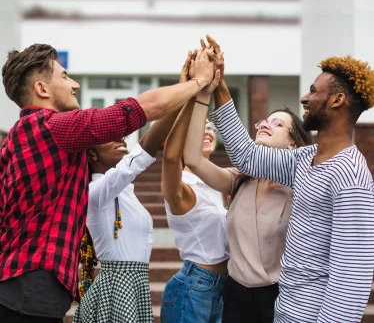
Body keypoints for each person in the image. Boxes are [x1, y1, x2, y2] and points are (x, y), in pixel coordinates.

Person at [0, 44, 215, 323]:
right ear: (42, 89)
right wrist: (198, 82)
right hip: (29, 298)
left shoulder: (4, 152)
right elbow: (132, 112)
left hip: (2, 288)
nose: (75, 84)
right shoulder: (53, 127)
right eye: (65, 76)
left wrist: (184, 90)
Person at [210, 53, 374, 323]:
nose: (304, 99)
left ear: (337, 100)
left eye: (313, 91)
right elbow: (246, 157)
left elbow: (351, 278)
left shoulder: (350, 176)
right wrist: (219, 85)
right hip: (283, 311)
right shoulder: (305, 158)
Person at [183, 36, 312, 323]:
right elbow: (192, 158)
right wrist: (203, 93)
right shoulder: (240, 180)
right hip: (235, 298)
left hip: (278, 299)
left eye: (278, 123)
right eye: (263, 121)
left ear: (294, 144)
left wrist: (220, 84)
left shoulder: (302, 187)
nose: (266, 123)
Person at [72, 53, 193, 323]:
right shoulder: (95, 192)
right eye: (108, 136)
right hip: (115, 290)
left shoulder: (123, 190)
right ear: (91, 155)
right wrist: (183, 92)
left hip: (134, 284)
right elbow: (141, 155)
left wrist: (183, 95)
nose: (121, 137)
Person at [160, 52, 229, 323]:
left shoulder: (216, 182)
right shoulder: (182, 184)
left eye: (210, 127)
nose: (207, 130)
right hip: (194, 288)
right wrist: (193, 92)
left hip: (222, 287)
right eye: (200, 127)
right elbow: (169, 157)